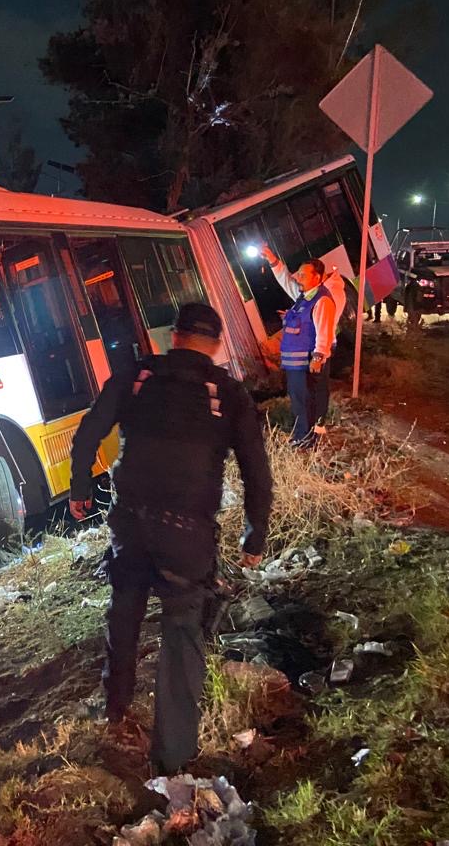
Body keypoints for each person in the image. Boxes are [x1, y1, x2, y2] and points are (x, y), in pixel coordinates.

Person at [68, 303, 273, 776]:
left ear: (173, 336)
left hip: (132, 521)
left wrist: (81, 488)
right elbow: (256, 473)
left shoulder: (136, 375)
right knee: (182, 628)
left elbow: (88, 435)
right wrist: (253, 534)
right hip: (188, 530)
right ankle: (173, 759)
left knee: (125, 605)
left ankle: (116, 709)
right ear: (217, 344)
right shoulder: (228, 392)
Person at [259, 247, 337, 445]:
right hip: (297, 363)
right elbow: (286, 281)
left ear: (317, 277)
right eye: (299, 273)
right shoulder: (306, 295)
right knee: (299, 400)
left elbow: (324, 332)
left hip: (307, 363)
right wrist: (273, 260)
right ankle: (306, 436)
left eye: (303, 274)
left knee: (303, 401)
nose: (298, 277)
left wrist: (318, 357)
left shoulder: (322, 300)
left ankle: (304, 438)